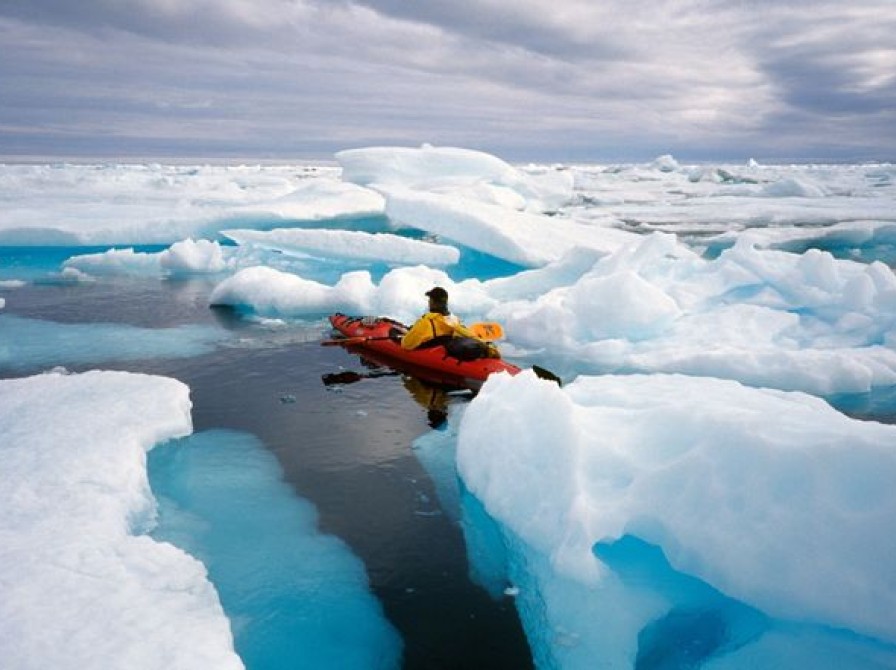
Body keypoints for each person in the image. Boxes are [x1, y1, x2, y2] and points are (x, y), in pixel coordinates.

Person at [400, 287, 499, 359]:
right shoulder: (453, 319)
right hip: (444, 345)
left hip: (431, 350)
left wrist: (404, 336)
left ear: (433, 302)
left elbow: (406, 345)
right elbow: (465, 333)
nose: (429, 302)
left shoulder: (426, 322)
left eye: (430, 300)